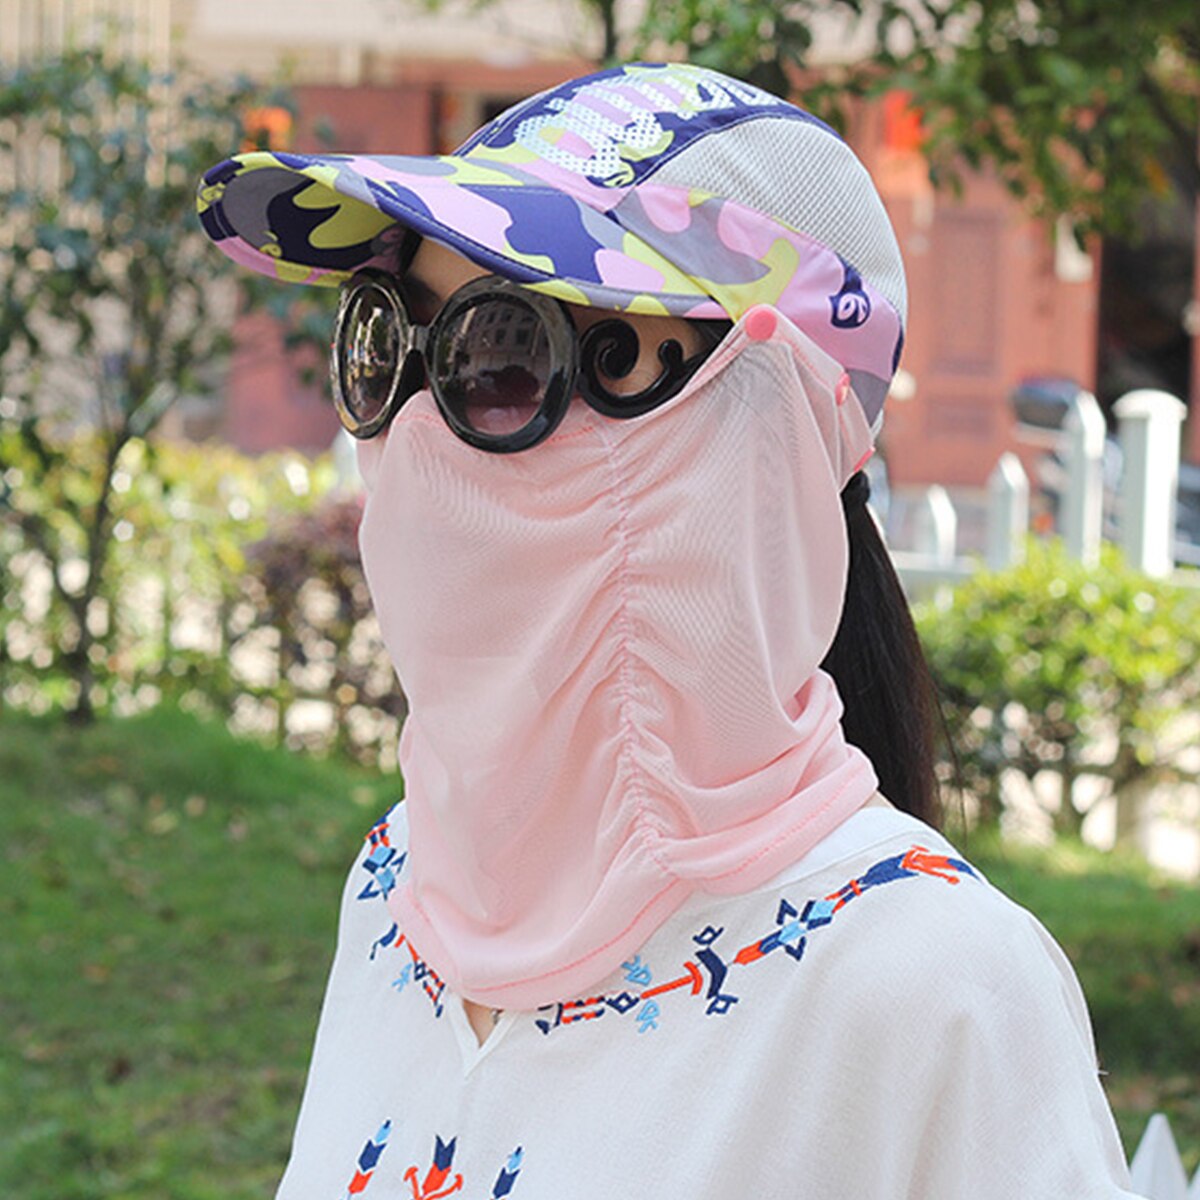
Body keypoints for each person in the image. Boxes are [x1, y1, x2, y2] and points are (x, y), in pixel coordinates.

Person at [197, 61, 1143, 1199]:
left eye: (502, 358)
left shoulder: (935, 988)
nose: (419, 434)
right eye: (390, 340)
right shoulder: (398, 888)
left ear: (763, 421)